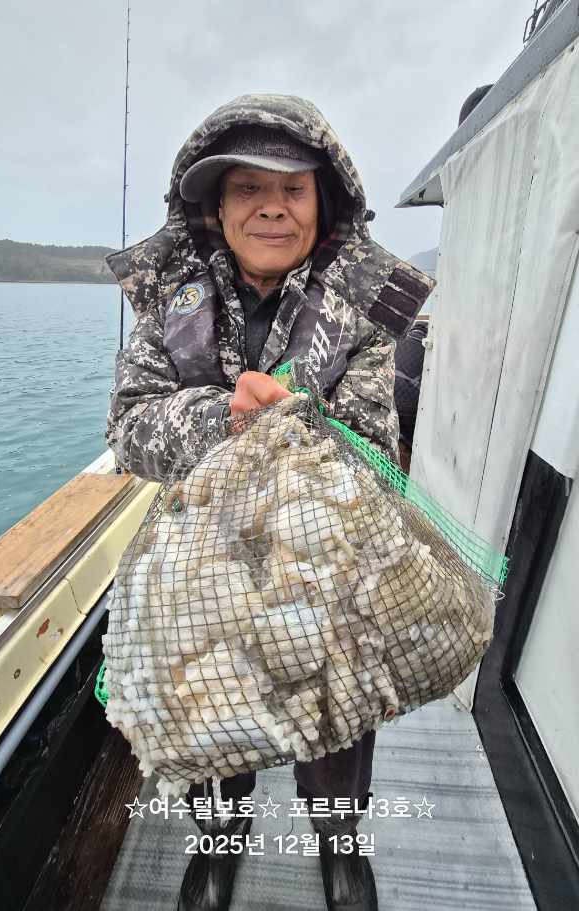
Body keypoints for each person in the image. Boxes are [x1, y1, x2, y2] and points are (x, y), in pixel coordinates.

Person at [106, 94, 434, 911]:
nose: (271, 206)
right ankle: (218, 843)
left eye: (292, 187)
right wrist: (224, 415)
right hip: (200, 567)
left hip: (325, 565)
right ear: (217, 208)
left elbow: (372, 442)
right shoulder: (172, 304)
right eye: (247, 187)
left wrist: (289, 419)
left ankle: (339, 841)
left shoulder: (364, 310)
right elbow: (131, 427)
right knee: (209, 714)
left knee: (339, 714)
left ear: (324, 203)